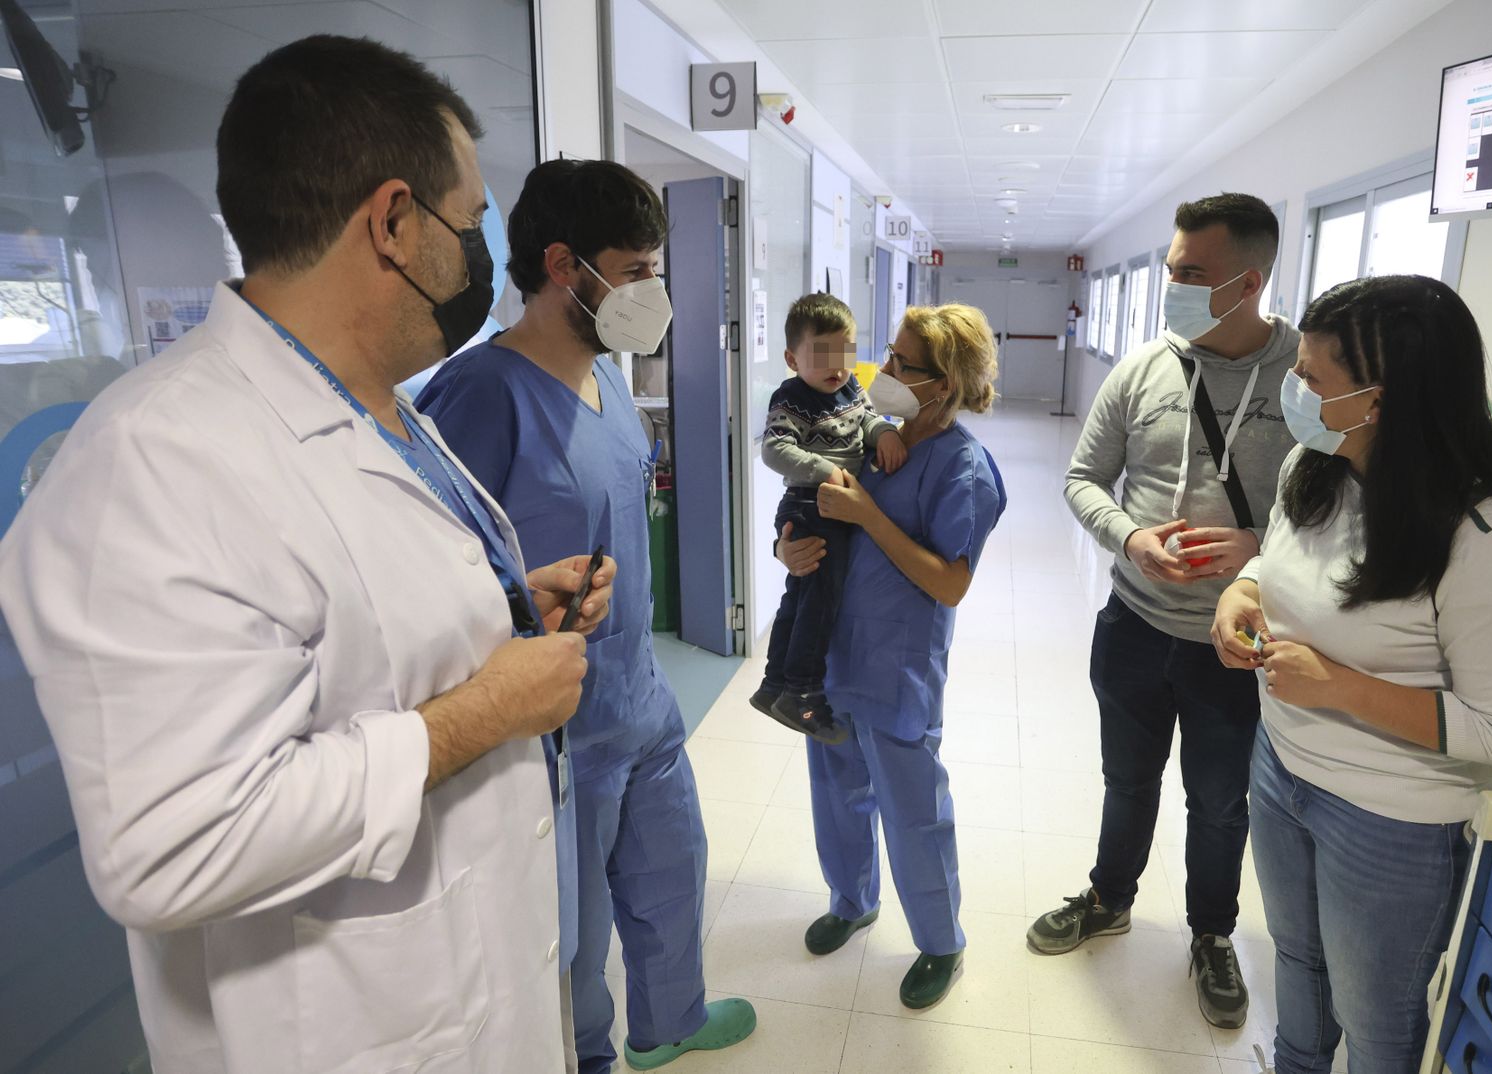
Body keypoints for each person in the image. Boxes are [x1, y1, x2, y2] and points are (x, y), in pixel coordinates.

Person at [0, 36, 612, 1074]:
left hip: (478, 987)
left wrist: (502, 612)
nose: (477, 257)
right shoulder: (150, 464)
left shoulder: (380, 406)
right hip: (342, 1032)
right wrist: (486, 712)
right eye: (469, 224)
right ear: (393, 223)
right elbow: (171, 845)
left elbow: (366, 635)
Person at [415, 158, 756, 1074]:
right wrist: (519, 594)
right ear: (565, 265)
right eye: (637, 271)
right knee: (569, 943)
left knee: (670, 877)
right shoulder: (480, 397)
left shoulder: (608, 388)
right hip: (551, 738)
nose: (654, 292)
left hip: (638, 700)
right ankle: (589, 1058)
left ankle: (670, 1021)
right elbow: (427, 579)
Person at [1211, 275, 1492, 1074]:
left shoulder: (1487, 536)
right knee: (1297, 963)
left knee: (1378, 1018)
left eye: (1313, 380)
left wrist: (1336, 685)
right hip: (1283, 769)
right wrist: (1241, 592)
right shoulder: (1319, 463)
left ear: (1385, 400)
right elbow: (1275, 561)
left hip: (1392, 821)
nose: (1293, 391)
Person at [1026, 193, 1299, 1029]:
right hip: (1135, 627)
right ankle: (1110, 897)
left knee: (1219, 803)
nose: (1171, 283)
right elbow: (1081, 479)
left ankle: (1212, 934)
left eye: (1190, 273)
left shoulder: (1304, 378)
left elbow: (1334, 513)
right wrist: (1131, 537)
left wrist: (1258, 544)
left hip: (1238, 646)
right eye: (1171, 266)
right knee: (1127, 780)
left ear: (1247, 281)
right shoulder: (1143, 368)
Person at [777, 303, 1006, 1010]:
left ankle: (942, 942)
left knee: (912, 810)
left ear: (947, 382)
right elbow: (813, 511)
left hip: (895, 663)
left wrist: (869, 516)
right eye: (891, 355)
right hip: (834, 652)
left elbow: (951, 582)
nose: (886, 373)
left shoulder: (963, 468)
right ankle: (853, 899)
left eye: (905, 365)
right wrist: (786, 547)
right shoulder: (873, 440)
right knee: (836, 788)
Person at [751, 292, 906, 741]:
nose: (836, 367)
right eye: (823, 356)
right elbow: (775, 448)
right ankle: (802, 692)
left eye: (845, 354)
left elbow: (868, 418)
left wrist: (884, 435)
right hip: (811, 506)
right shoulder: (791, 398)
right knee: (819, 603)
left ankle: (774, 683)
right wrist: (831, 471)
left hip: (832, 505)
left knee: (800, 599)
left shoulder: (850, 388)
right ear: (791, 358)